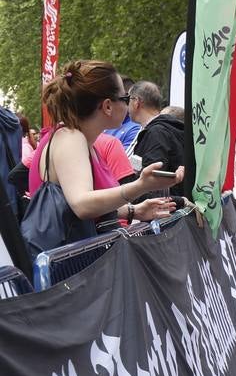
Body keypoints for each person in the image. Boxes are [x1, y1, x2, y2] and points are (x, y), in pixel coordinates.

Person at [27, 61, 179, 253]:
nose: (128, 103)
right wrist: (141, 185)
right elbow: (82, 204)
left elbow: (75, 208)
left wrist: (134, 210)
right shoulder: (70, 139)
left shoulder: (80, 140)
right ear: (107, 106)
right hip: (73, 273)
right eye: (125, 97)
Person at [129, 84, 190, 195]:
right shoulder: (170, 128)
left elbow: (153, 183)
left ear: (136, 102)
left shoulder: (156, 132)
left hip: (164, 207)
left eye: (127, 100)